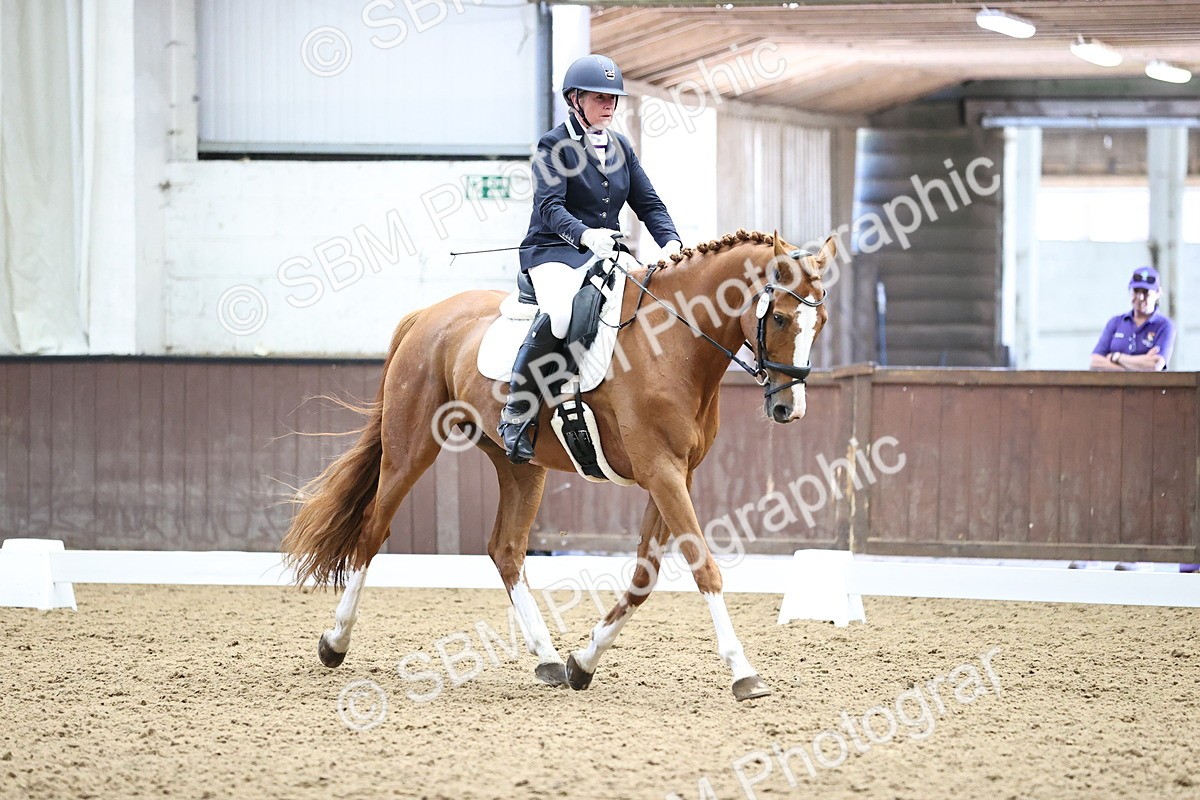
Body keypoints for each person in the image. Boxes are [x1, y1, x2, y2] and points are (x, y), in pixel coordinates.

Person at [497, 54, 682, 464]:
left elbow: (649, 204)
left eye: (613, 98)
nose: (609, 105)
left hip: (606, 251)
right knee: (560, 315)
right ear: (575, 99)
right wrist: (585, 235)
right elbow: (549, 206)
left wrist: (671, 243)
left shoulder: (621, 146)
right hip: (554, 251)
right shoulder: (552, 145)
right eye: (600, 97)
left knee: (645, 304)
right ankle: (516, 412)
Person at [1089, 266, 1175, 372]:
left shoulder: (1165, 325)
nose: (1140, 297)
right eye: (1136, 291)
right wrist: (1138, 366)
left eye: (1146, 292)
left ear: (1157, 293)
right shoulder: (1116, 322)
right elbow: (1095, 362)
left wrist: (1116, 357)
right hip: (1115, 383)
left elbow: (1155, 365)